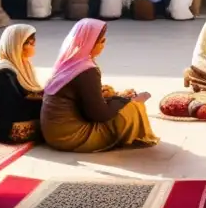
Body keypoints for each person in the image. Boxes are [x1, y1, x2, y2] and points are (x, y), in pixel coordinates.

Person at [40, 19, 158, 152]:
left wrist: (114, 97)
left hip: (53, 135)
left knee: (117, 99)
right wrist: (125, 100)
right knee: (133, 109)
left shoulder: (68, 62)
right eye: (101, 41)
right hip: (71, 137)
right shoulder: (86, 70)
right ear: (90, 43)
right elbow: (98, 114)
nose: (104, 45)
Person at [0, 24, 43, 143]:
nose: (34, 47)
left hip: (11, 114)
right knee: (52, 127)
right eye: (30, 43)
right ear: (16, 45)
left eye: (34, 43)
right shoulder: (3, 73)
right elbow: (15, 108)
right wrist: (46, 104)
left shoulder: (22, 64)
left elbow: (25, 94)